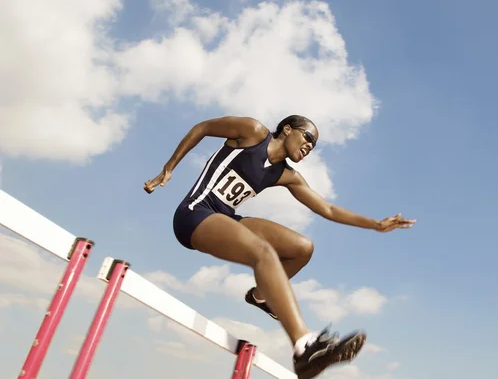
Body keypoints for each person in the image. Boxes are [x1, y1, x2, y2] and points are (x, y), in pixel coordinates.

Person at [144, 115, 416, 379]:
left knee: (302, 248)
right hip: (194, 214)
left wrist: (376, 225)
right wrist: (169, 167)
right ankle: (304, 348)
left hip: (225, 218)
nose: (309, 147)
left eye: (313, 146)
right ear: (287, 129)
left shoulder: (287, 175)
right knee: (263, 252)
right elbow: (202, 127)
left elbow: (328, 208)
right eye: (308, 137)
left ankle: (261, 296)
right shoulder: (252, 132)